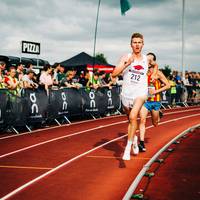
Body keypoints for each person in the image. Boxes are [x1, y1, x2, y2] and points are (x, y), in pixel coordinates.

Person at [112, 32, 156, 160]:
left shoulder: (146, 59)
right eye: (134, 42)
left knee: (133, 117)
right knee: (130, 120)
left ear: (143, 44)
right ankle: (134, 138)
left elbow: (155, 64)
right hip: (127, 94)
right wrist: (126, 64)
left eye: (139, 42)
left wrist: (153, 74)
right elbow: (114, 74)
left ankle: (127, 149)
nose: (137, 45)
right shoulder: (126, 57)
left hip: (140, 93)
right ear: (131, 44)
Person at [138, 52, 170, 152]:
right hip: (145, 101)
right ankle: (142, 143)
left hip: (155, 101)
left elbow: (168, 85)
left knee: (155, 123)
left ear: (154, 62)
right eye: (147, 60)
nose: (148, 62)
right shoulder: (143, 72)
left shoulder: (158, 74)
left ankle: (159, 115)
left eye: (150, 60)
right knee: (142, 120)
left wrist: (156, 91)